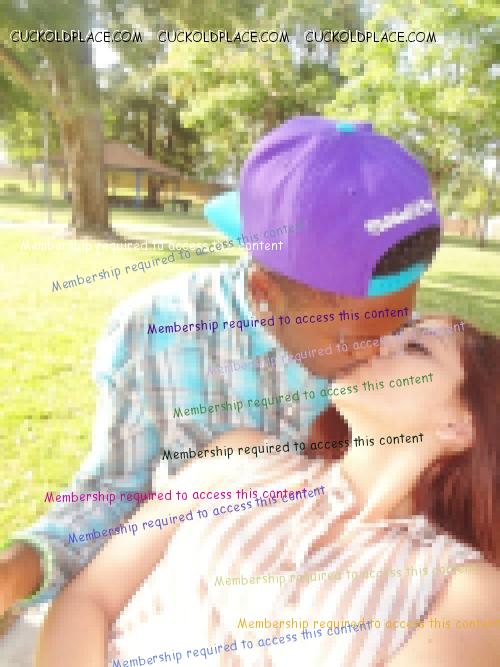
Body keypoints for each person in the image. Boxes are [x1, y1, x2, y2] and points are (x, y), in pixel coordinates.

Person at [0, 117, 441, 617]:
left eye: (398, 321)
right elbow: (112, 492)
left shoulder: (416, 356)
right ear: (264, 292)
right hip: (183, 606)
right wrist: (16, 571)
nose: (381, 353)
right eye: (352, 339)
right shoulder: (156, 334)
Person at [36, 316, 500, 666]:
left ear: (461, 425)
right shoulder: (239, 458)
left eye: (416, 347)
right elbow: (91, 596)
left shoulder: (466, 590)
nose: (377, 342)